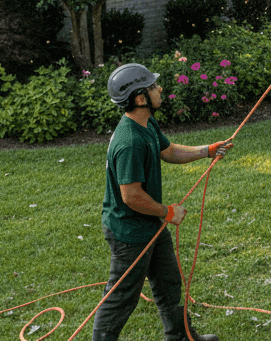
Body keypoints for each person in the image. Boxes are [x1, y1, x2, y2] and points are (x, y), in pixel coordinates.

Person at [94, 63, 234, 341]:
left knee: (169, 282)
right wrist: (167, 211)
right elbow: (130, 195)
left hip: (150, 224)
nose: (160, 88)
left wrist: (207, 151)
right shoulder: (130, 141)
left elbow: (167, 151)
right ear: (140, 98)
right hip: (129, 232)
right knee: (121, 296)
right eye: (153, 86)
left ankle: (181, 337)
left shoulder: (145, 124)